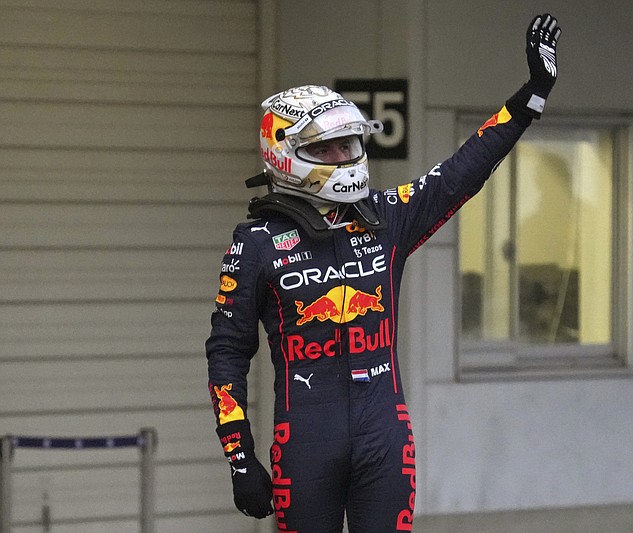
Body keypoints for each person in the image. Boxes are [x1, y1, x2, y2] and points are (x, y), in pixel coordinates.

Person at [206, 12, 561, 532]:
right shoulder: (255, 243)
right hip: (304, 444)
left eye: (349, 144)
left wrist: (531, 94)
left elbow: (462, 170)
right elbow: (226, 353)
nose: (343, 157)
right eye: (324, 148)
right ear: (284, 156)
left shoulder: (386, 216)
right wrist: (239, 456)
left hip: (385, 440)